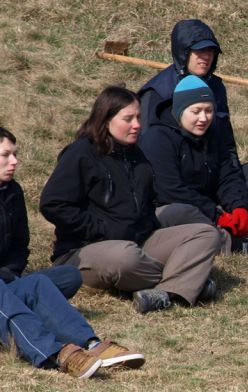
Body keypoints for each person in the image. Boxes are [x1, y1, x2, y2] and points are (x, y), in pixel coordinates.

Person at [39, 86, 222, 314]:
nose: (137, 124)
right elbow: (52, 204)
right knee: (125, 257)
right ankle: (189, 280)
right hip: (86, 249)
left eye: (138, 117)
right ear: (106, 119)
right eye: (128, 118)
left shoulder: (137, 155)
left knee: (206, 233)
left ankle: (167, 291)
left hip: (138, 242)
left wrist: (147, 226)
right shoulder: (81, 153)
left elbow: (149, 204)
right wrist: (101, 229)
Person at [0, 127, 144, 376]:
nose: (14, 161)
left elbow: (20, 246)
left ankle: (91, 344)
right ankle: (55, 353)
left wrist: (9, 274)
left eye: (15, 154)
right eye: (5, 155)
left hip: (6, 279)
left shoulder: (12, 192)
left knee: (40, 284)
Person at [138, 19, 248, 209]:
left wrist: (235, 191)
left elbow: (227, 145)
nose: (205, 57)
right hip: (177, 182)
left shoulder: (216, 87)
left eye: (210, 52)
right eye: (199, 51)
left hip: (211, 173)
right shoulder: (157, 92)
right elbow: (148, 155)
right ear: (183, 53)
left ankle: (234, 204)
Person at [139, 76, 248, 257]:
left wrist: (238, 206)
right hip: (167, 209)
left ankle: (216, 238)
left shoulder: (212, 133)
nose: (203, 118)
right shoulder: (157, 138)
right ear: (179, 110)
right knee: (183, 212)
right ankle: (237, 246)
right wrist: (216, 216)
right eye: (196, 111)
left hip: (206, 206)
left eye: (209, 110)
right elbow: (169, 190)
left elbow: (228, 174)